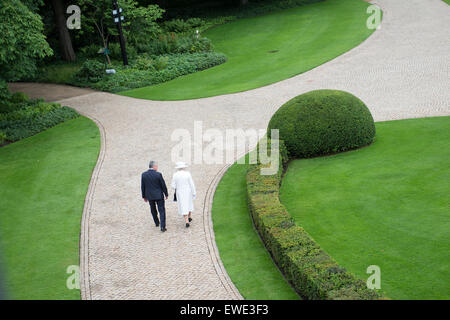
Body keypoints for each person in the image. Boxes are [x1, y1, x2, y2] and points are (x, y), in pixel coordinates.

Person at [141, 160, 168, 232]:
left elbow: (143, 186)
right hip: (159, 195)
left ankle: (156, 222)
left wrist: (144, 196)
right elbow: (163, 185)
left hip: (150, 196)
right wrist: (166, 193)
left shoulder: (144, 175)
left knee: (153, 209)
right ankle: (162, 226)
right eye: (157, 166)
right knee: (161, 210)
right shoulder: (158, 174)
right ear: (154, 166)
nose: (157, 167)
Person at [171, 162, 196, 228]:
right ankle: (189, 216)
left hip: (180, 192)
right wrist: (194, 192)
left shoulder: (175, 175)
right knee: (189, 204)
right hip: (188, 191)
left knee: (183, 205)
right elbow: (191, 184)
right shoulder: (187, 174)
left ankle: (186, 220)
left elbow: (173, 186)